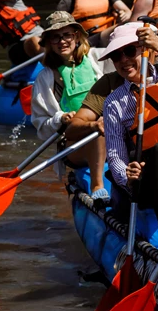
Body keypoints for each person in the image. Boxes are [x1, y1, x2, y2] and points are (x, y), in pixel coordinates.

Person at [99, 22, 158, 231]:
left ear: (146, 49)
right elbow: (115, 155)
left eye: (129, 51)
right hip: (151, 176)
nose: (124, 60)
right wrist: (126, 175)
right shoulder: (114, 102)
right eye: (116, 56)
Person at [30, 12, 107, 195]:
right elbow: (41, 127)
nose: (62, 41)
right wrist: (61, 118)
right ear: (49, 42)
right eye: (55, 37)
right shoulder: (45, 78)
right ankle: (97, 186)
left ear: (76, 36)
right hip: (73, 143)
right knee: (96, 129)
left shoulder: (97, 59)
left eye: (67, 35)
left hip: (110, 131)